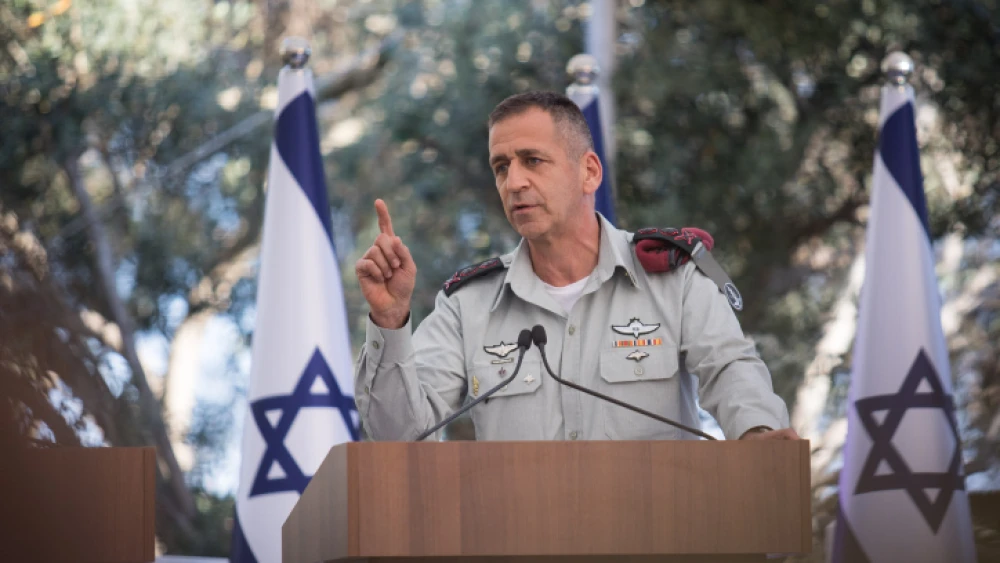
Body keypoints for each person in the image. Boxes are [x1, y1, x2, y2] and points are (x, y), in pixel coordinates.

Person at [353, 91, 797, 442]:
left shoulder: (673, 279)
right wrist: (391, 321)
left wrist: (759, 435)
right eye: (501, 167)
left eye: (533, 160)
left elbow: (731, 370)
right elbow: (399, 437)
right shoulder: (465, 306)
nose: (514, 182)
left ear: (589, 172)